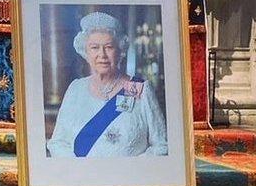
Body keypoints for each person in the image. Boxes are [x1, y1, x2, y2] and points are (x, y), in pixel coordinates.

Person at [47, 12, 168, 158]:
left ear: (120, 51)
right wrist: (80, 171)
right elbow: (57, 143)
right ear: (86, 52)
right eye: (94, 47)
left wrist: (129, 170)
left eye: (109, 47)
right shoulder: (75, 89)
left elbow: (162, 145)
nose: (102, 54)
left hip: (130, 179)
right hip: (84, 179)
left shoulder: (140, 89)